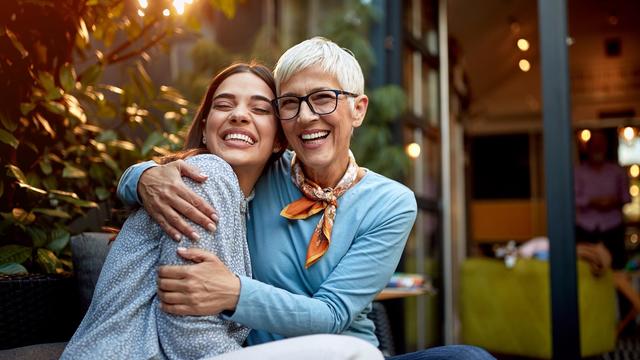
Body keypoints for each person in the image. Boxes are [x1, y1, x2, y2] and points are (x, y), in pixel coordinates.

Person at [118, 37, 494, 359]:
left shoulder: (391, 203)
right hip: (258, 354)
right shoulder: (262, 169)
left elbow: (333, 314)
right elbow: (196, 168)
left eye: (323, 99)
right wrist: (142, 177)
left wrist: (233, 292)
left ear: (358, 109)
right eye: (291, 103)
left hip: (347, 351)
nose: (306, 117)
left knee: (469, 357)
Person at [61, 62, 287, 359]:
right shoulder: (208, 175)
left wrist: (137, 175)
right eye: (223, 105)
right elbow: (189, 334)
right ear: (205, 129)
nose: (239, 115)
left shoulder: (249, 201)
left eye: (260, 109)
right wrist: (139, 176)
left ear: (279, 140)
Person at [575, 130, 630, 271]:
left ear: (606, 147)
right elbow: (573, 199)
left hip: (613, 227)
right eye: (594, 145)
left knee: (616, 268)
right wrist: (593, 202)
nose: (597, 148)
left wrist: (612, 202)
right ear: (588, 148)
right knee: (585, 268)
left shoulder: (617, 172)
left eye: (601, 145)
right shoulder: (578, 172)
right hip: (586, 228)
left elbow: (626, 198)